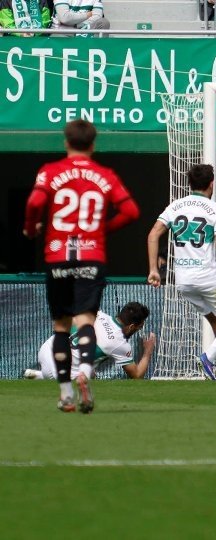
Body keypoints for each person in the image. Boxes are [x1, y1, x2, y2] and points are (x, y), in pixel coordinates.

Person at [22, 119, 140, 413]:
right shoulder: (105, 175)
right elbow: (131, 211)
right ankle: (85, 370)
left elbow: (35, 202)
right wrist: (103, 231)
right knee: (86, 320)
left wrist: (31, 229)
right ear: (93, 144)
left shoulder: (50, 171)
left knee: (62, 328)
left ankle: (65, 394)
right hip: (91, 256)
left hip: (58, 256)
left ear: (66, 142)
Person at [147, 164, 216, 381]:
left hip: (183, 281)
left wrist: (153, 269)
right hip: (208, 277)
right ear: (211, 184)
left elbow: (153, 235)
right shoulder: (215, 209)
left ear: (189, 184)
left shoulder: (175, 206)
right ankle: (208, 357)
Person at [24, 302, 154, 381]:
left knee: (90, 372)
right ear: (131, 326)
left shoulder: (99, 314)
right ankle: (44, 376)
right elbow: (136, 376)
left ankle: (39, 375)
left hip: (47, 347)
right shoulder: (120, 344)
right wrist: (147, 352)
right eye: (139, 327)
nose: (139, 330)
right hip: (57, 369)